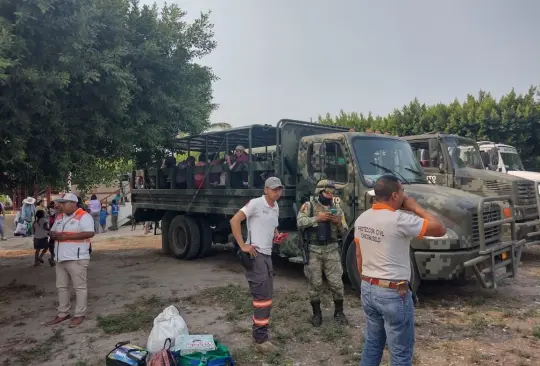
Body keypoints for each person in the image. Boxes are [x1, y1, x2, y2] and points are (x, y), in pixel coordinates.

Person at [355, 175, 446, 365]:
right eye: (403, 192)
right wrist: (414, 207)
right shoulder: (400, 219)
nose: (405, 195)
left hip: (368, 287)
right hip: (393, 292)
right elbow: (440, 229)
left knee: (372, 343)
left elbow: (358, 256)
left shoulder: (362, 219)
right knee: (400, 353)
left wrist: (366, 280)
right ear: (395, 195)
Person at [229, 177, 286, 353]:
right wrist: (243, 245)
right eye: (274, 189)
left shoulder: (275, 207)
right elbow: (234, 220)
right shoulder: (255, 204)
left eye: (280, 189)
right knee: (262, 298)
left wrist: (276, 236)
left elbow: (272, 227)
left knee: (266, 296)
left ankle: (260, 333)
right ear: (266, 190)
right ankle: (260, 340)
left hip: (267, 255)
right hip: (256, 255)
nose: (278, 192)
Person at [297, 179, 349, 327]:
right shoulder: (309, 206)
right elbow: (300, 222)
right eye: (327, 192)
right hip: (314, 250)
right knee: (315, 283)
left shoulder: (337, 209)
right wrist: (317, 219)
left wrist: (338, 222)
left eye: (332, 193)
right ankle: (317, 314)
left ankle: (339, 312)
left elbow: (344, 230)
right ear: (319, 192)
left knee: (336, 283)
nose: (330, 195)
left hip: (331, 249)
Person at [45, 193, 95, 327]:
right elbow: (54, 231)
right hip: (60, 257)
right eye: (60, 203)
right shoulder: (59, 217)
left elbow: (90, 233)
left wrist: (65, 236)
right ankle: (63, 313)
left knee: (79, 287)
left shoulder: (84, 216)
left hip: (76, 258)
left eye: (63, 203)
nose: (60, 205)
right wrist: (52, 234)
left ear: (73, 203)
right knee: (61, 287)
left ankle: (79, 314)